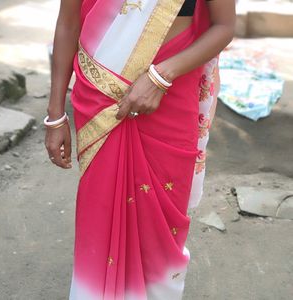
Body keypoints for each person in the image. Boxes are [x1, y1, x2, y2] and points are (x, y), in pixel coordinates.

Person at [44, 0, 235, 299]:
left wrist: (161, 77)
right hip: (102, 100)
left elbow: (223, 26)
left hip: (171, 100)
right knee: (103, 214)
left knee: (160, 226)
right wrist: (55, 113)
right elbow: (68, 23)